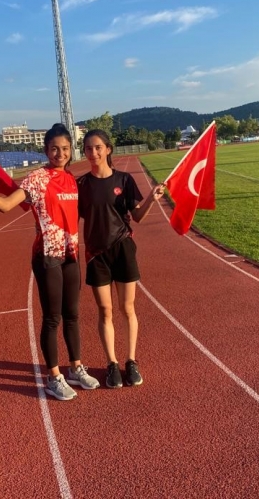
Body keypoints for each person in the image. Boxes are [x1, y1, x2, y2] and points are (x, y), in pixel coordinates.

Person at [0, 124, 99, 401]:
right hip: (47, 255)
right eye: (54, 149)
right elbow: (6, 205)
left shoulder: (72, 179)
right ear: (46, 150)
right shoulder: (37, 179)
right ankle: (53, 376)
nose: (60, 153)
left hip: (70, 254)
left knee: (72, 314)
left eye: (64, 148)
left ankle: (75, 367)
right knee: (52, 318)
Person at [77, 129, 164, 388]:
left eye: (97, 147)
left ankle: (131, 360)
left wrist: (151, 198)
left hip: (123, 249)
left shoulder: (124, 180)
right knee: (105, 311)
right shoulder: (81, 185)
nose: (92, 153)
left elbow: (137, 217)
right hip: (96, 254)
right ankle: (112, 363)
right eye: (88, 148)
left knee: (127, 309)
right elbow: (70, 215)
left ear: (108, 149)